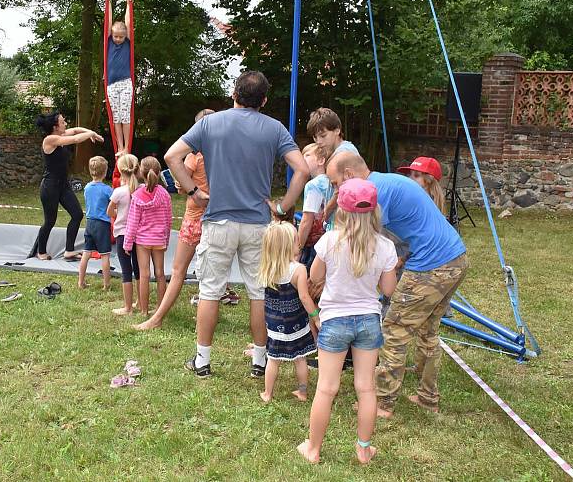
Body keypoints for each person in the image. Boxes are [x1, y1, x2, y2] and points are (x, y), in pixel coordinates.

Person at [164, 70, 310, 378]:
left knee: (210, 290)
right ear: (265, 100)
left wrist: (193, 191)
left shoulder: (209, 122)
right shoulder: (274, 128)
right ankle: (260, 360)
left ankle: (202, 361)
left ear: (234, 93)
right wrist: (283, 207)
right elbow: (302, 169)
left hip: (218, 220)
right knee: (259, 292)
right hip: (258, 223)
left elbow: (172, 156)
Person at [326, 152, 468, 418]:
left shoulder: (376, 192)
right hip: (455, 258)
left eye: (335, 184)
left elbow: (366, 241)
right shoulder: (386, 182)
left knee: (394, 329)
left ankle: (382, 402)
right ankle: (428, 397)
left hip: (432, 264)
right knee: (428, 330)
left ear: (347, 175)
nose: (336, 190)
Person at [297, 178, 398, 465]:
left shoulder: (329, 241)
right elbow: (388, 289)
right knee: (365, 387)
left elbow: (315, 277)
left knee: (326, 388)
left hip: (335, 321)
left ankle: (313, 449)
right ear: (375, 210)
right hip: (368, 320)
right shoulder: (386, 246)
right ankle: (364, 449)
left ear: (341, 209)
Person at [134, 109, 216, 330]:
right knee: (212, 274)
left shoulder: (193, 156)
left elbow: (182, 184)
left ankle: (156, 318)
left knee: (179, 270)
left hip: (195, 217)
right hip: (218, 218)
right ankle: (204, 322)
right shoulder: (223, 155)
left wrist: (184, 186)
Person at [257, 221, 318, 403]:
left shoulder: (267, 268)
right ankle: (303, 392)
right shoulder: (298, 269)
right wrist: (315, 316)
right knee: (300, 359)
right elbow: (305, 298)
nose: (299, 243)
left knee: (273, 360)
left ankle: (267, 393)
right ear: (287, 246)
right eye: (295, 240)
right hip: (296, 322)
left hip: (275, 323)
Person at [30, 112, 104, 261]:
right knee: (50, 221)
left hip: (63, 185)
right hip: (50, 186)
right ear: (55, 127)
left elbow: (76, 131)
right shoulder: (50, 140)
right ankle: (41, 251)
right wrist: (90, 133)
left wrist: (92, 133)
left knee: (77, 214)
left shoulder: (61, 136)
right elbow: (76, 138)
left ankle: (69, 251)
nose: (65, 124)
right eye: (63, 122)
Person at [123, 156, 172, 316]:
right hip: (158, 239)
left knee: (144, 275)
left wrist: (127, 243)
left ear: (141, 173)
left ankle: (144, 311)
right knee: (160, 274)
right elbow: (167, 220)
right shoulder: (165, 194)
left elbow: (132, 222)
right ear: (158, 173)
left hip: (142, 241)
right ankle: (159, 309)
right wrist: (166, 239)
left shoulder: (137, 195)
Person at [306, 108, 360, 227]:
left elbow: (341, 192)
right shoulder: (337, 151)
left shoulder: (344, 153)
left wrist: (326, 213)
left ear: (337, 130)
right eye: (315, 137)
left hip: (347, 225)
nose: (318, 141)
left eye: (323, 136)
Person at [108, 154, 142, 315]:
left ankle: (128, 307)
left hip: (123, 234)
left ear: (121, 171)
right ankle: (141, 302)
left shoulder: (119, 192)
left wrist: (119, 214)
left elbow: (109, 211)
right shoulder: (142, 190)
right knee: (139, 269)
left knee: (126, 270)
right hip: (140, 235)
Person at [105, 0, 134, 157]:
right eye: (116, 36)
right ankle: (120, 146)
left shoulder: (127, 42)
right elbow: (108, 21)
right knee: (116, 117)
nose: (118, 39)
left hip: (125, 82)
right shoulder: (109, 40)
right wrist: (108, 2)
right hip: (111, 84)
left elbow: (128, 24)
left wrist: (129, 4)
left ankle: (126, 148)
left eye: (121, 37)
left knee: (125, 115)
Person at [78, 156, 113, 290]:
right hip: (102, 224)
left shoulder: (87, 187)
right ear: (104, 172)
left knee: (86, 253)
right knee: (105, 254)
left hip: (89, 222)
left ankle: (81, 282)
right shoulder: (107, 190)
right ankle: (106, 284)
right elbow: (113, 203)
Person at [297, 143, 328, 272]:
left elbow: (306, 220)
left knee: (307, 277)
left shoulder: (314, 185)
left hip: (313, 243)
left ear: (321, 161)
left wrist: (298, 247)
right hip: (329, 240)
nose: (303, 159)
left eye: (307, 155)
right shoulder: (331, 181)